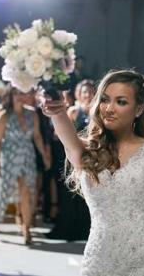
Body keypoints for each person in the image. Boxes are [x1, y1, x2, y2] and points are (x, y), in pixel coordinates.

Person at [39, 69, 144, 276]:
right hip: (99, 263)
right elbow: (65, 130)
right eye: (105, 100)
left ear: (138, 109)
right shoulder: (88, 150)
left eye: (121, 102)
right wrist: (57, 109)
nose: (109, 108)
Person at [0, 86, 50, 244]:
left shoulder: (32, 114)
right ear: (10, 96)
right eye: (16, 93)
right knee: (1, 192)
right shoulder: (3, 116)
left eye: (22, 92)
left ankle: (26, 229)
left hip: (27, 156)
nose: (20, 96)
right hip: (8, 158)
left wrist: (44, 155)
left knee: (26, 191)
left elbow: (37, 136)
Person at [46, 80, 94, 240]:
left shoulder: (97, 112)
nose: (87, 94)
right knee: (71, 194)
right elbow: (59, 135)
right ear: (78, 94)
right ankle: (69, 228)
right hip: (73, 158)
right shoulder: (73, 111)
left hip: (92, 158)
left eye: (89, 91)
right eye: (84, 92)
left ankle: (87, 229)